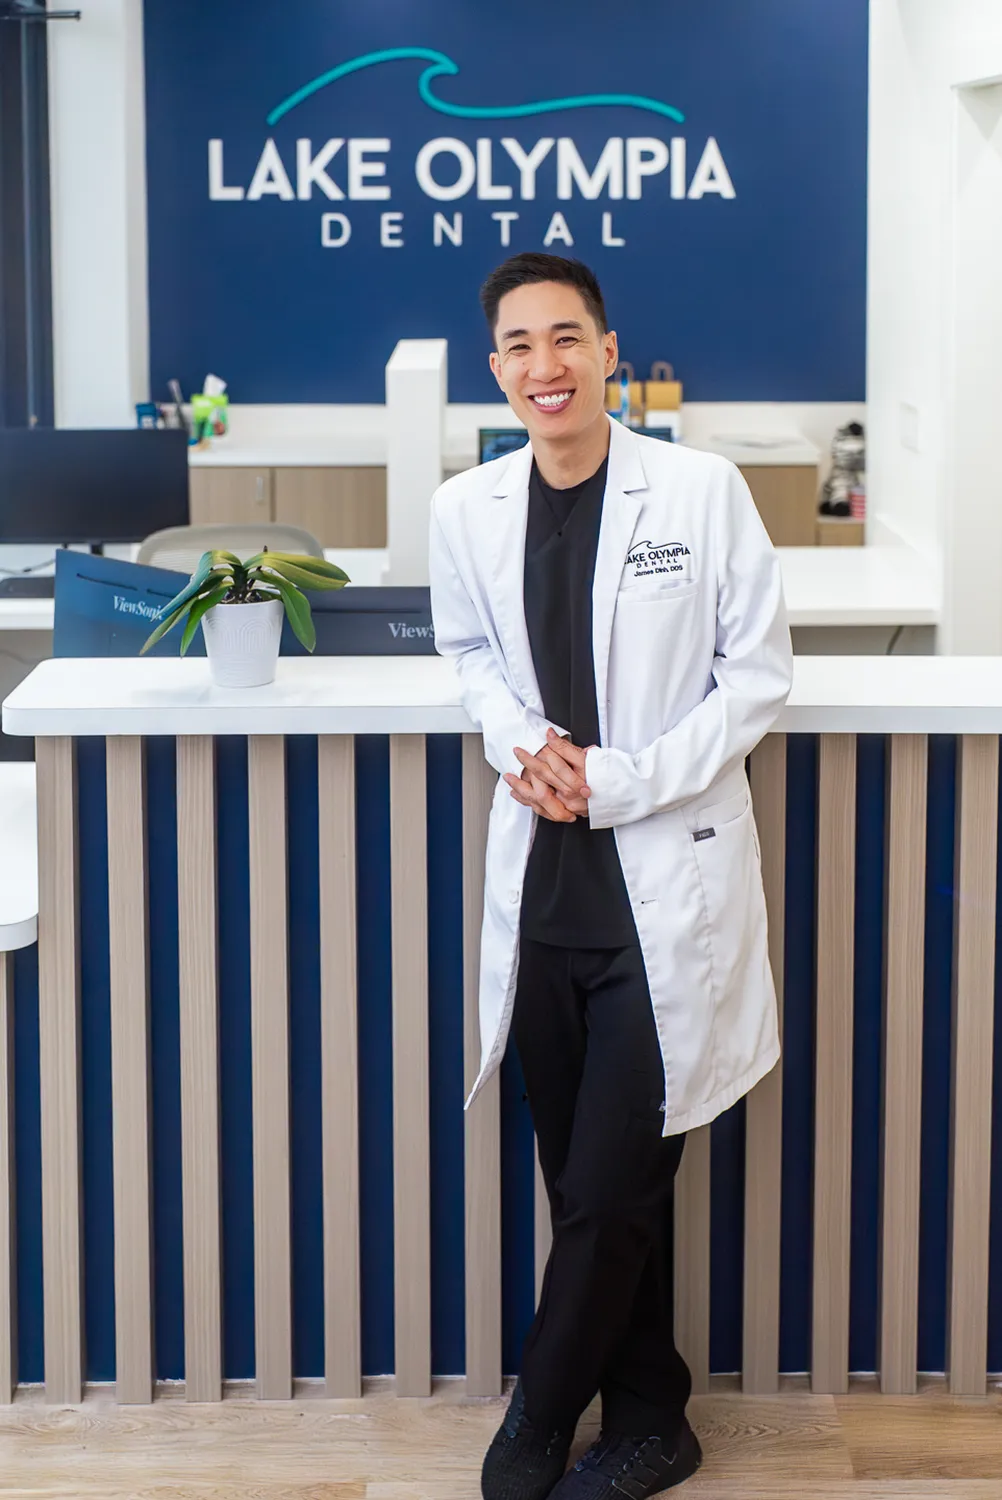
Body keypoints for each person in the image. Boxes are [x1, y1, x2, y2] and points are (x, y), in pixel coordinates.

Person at [428, 252, 794, 1500]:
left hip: (665, 892)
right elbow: (470, 655)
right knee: (592, 1187)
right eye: (520, 345)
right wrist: (518, 743)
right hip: (544, 896)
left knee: (608, 1187)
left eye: (567, 338)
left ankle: (538, 1415)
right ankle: (651, 1418)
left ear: (608, 352)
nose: (547, 366)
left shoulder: (699, 490)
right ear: (496, 368)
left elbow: (757, 677)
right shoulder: (466, 507)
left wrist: (621, 780)